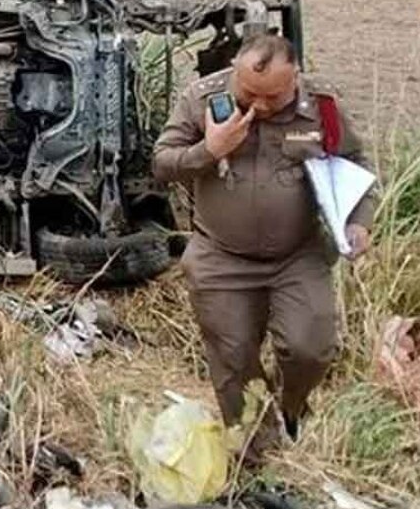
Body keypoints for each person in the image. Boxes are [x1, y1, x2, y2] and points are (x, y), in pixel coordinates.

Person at [152, 34, 375, 459]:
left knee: (310, 348)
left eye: (272, 97)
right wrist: (209, 149)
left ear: (294, 79)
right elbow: (162, 163)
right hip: (221, 256)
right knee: (234, 359)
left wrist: (360, 222)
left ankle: (291, 407)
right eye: (248, 93)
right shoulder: (203, 100)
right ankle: (257, 458)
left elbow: (357, 164)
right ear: (235, 68)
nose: (258, 106)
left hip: (299, 255)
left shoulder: (321, 107)